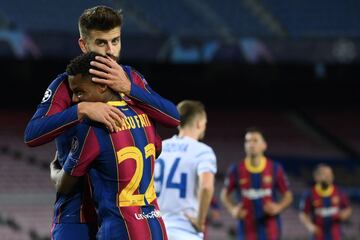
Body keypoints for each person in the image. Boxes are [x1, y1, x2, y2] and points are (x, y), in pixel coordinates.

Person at [24, 6, 180, 240]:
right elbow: (32, 134)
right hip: (77, 216)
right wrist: (82, 109)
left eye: (115, 41)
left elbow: (173, 118)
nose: (110, 52)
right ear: (83, 45)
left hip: (119, 216)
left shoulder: (131, 78)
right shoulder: (67, 86)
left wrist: (128, 88)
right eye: (101, 43)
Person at [52, 51, 168, 239]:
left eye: (80, 92)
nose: (74, 99)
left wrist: (54, 168)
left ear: (102, 86)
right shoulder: (145, 115)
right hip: (156, 226)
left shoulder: (93, 128)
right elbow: (156, 150)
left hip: (119, 230)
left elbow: (64, 185)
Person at [154, 100, 217, 240]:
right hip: (186, 231)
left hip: (157, 230)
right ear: (199, 123)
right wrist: (200, 222)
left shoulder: (160, 148)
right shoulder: (203, 151)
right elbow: (206, 186)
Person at [221, 128, 293, 240]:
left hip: (271, 231)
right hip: (245, 232)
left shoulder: (275, 168)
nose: (251, 144)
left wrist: (279, 207)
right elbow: (224, 195)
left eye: (255, 141)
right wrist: (233, 209)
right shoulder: (236, 169)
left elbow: (288, 195)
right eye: (248, 141)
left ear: (264, 145)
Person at [299, 164, 352, 240]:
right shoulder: (310, 194)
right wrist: (310, 226)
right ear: (317, 177)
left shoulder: (339, 192)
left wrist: (345, 214)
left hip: (335, 235)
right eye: (326, 175)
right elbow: (303, 214)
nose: (329, 177)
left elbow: (348, 208)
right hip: (318, 236)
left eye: (331, 174)